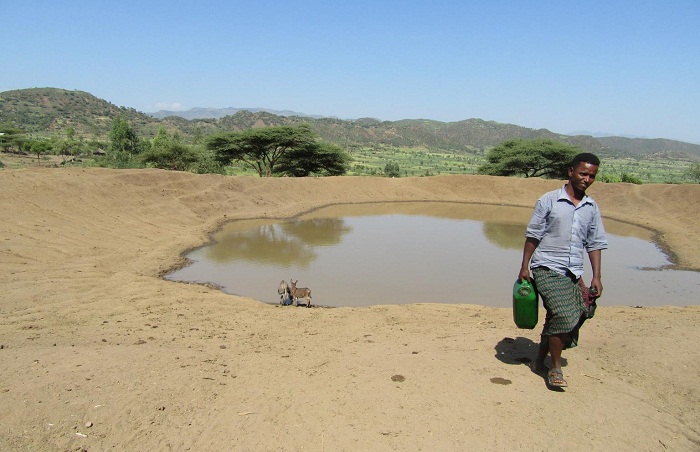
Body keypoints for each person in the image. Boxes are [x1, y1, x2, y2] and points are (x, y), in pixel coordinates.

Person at [518, 152, 608, 388]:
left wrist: (596, 276)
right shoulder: (549, 200)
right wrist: (524, 266)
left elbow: (595, 243)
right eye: (583, 173)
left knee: (579, 312)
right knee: (563, 313)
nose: (587, 179)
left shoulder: (591, 207)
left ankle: (539, 360)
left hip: (573, 271)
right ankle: (555, 367)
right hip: (546, 266)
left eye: (592, 176)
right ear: (570, 172)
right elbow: (533, 234)